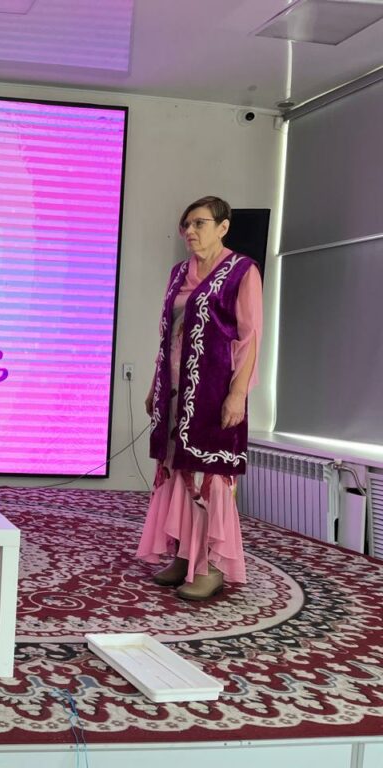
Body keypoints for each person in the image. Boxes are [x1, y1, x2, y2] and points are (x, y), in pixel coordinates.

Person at [136, 195, 263, 601]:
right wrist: (155, 386)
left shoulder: (242, 271)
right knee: (176, 470)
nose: (189, 231)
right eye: (186, 225)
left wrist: (237, 395)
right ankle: (183, 555)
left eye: (199, 223)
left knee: (209, 476)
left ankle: (211, 566)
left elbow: (250, 338)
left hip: (213, 393)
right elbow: (167, 336)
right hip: (175, 393)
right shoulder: (178, 273)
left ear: (223, 227)